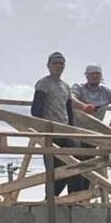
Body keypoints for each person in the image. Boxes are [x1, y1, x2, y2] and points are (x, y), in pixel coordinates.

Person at [30, 51, 94, 196]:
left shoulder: (65, 86)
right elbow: (36, 110)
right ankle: (50, 199)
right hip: (51, 132)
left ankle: (75, 198)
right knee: (54, 169)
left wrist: (72, 130)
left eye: (61, 63)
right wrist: (44, 129)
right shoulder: (43, 84)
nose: (58, 66)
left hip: (65, 130)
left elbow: (69, 111)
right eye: (55, 63)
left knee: (75, 164)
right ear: (48, 65)